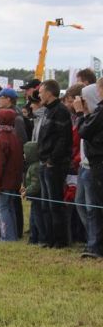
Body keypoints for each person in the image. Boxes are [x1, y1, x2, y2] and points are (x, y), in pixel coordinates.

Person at [37, 79, 73, 249]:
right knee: (45, 204)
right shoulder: (47, 111)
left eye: (41, 92)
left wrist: (53, 160)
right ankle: (49, 238)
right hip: (44, 162)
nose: (39, 95)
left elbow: (63, 139)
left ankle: (60, 240)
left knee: (55, 204)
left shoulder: (61, 111)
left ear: (49, 92)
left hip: (55, 165)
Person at [74, 78, 103, 258]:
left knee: (94, 208)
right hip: (88, 165)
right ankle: (92, 241)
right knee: (85, 205)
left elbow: (84, 131)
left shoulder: (99, 113)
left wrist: (79, 113)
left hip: (96, 165)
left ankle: (95, 245)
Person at [0, 108, 24, 242]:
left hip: (4, 181)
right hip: (14, 180)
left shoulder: (1, 139)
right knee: (10, 207)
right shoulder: (14, 137)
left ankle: (7, 237)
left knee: (3, 208)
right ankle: (13, 235)